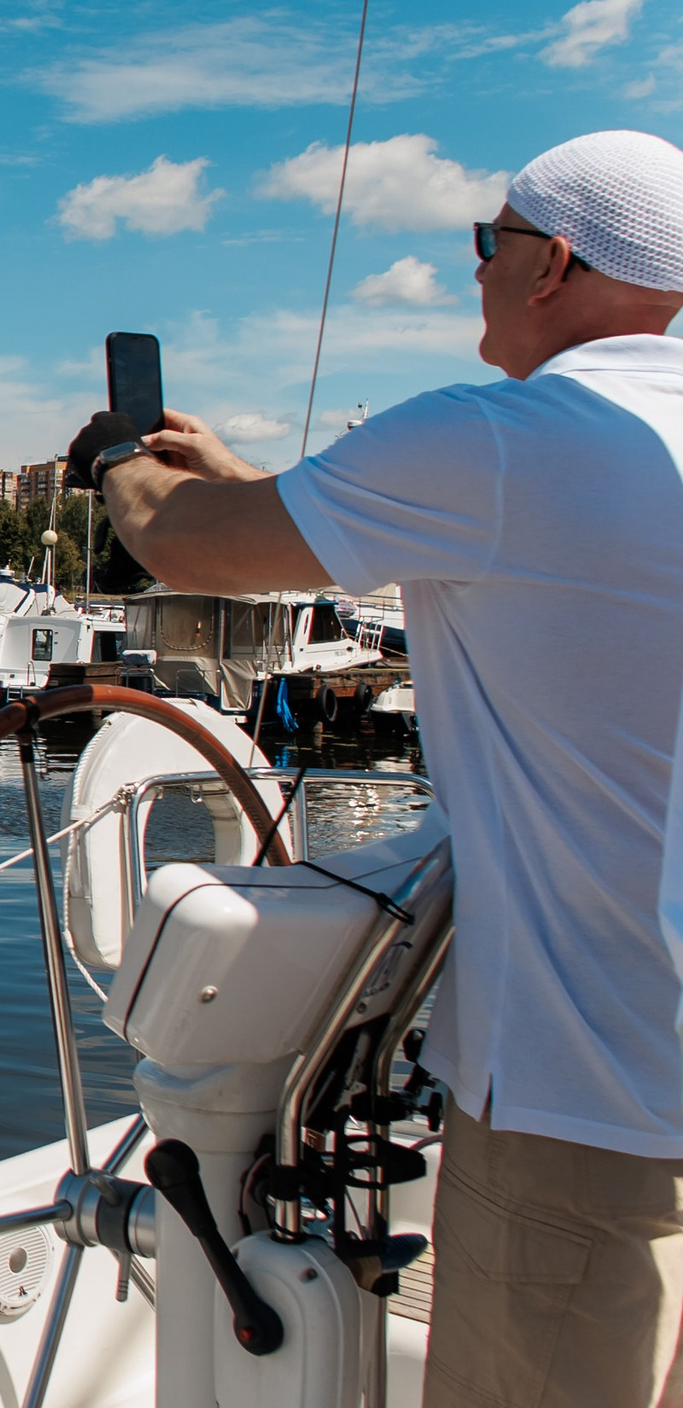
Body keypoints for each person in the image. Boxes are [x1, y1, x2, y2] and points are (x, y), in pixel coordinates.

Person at [67, 129, 683, 1408]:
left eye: (488, 242)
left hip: (593, 1105)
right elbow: (398, 541)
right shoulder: (611, 447)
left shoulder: (507, 436)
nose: (474, 271)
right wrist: (254, 480)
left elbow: (185, 544)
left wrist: (116, 462)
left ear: (552, 265)